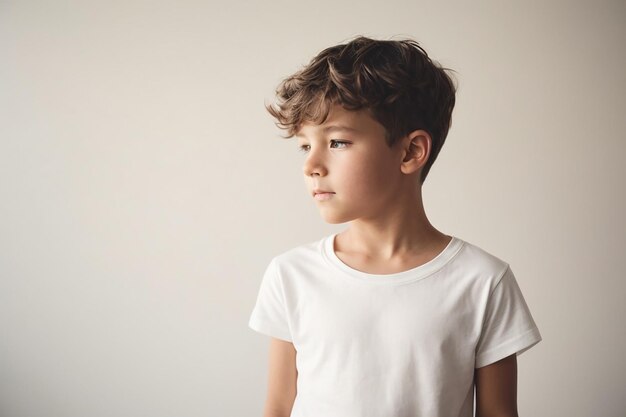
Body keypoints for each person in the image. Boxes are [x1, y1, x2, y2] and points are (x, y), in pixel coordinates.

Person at [248, 35, 542, 417]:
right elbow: (278, 406)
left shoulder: (483, 282)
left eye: (337, 142)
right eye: (305, 146)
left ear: (410, 151)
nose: (311, 165)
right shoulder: (291, 275)